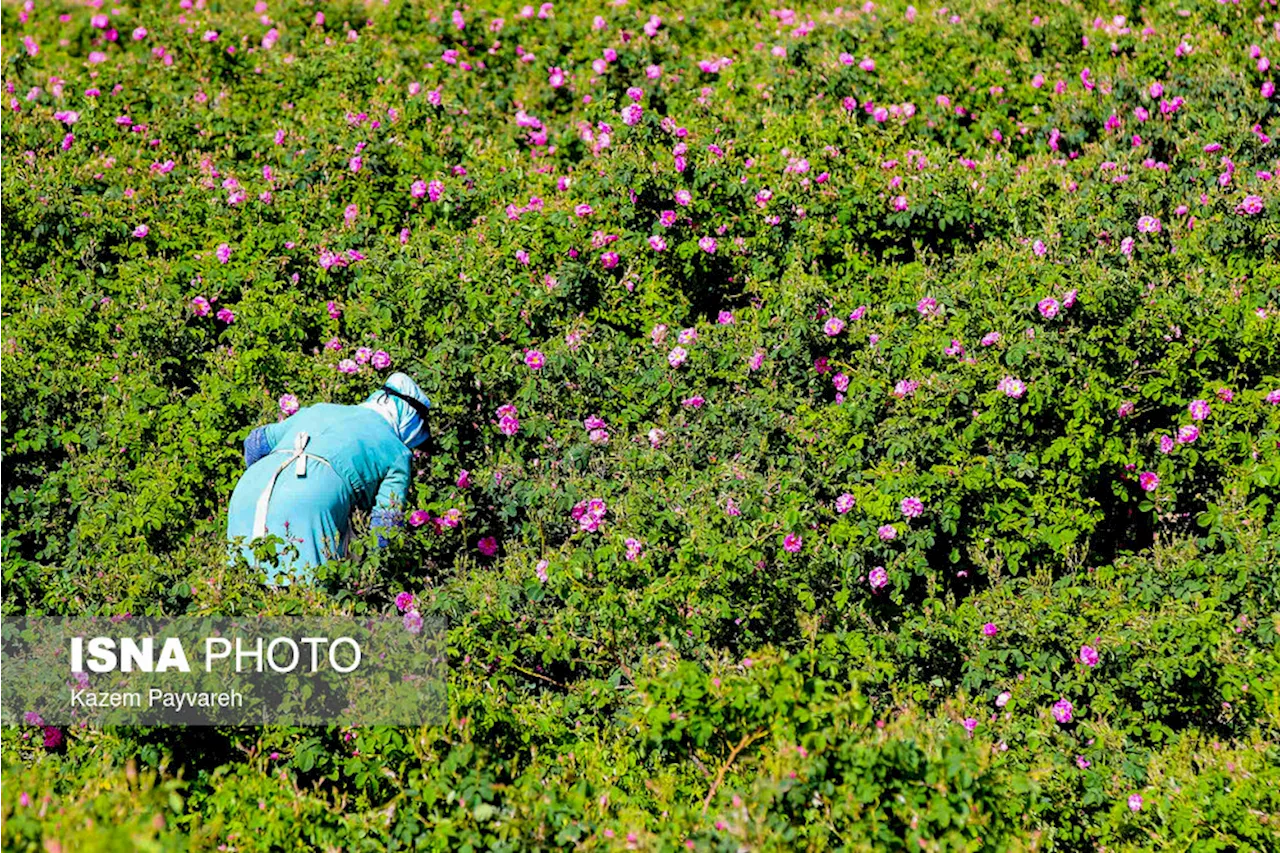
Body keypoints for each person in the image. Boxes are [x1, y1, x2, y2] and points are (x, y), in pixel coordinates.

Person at [226, 372, 431, 582]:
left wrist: (268, 484)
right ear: (410, 422)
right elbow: (386, 524)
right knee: (307, 597)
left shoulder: (319, 409)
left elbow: (254, 442)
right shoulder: (398, 451)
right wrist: (374, 574)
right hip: (311, 499)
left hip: (249, 490)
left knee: (241, 586)